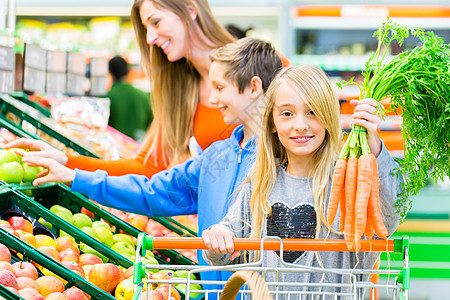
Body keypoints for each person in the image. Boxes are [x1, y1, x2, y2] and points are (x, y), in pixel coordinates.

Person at [21, 38, 283, 294]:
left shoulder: (284, 157)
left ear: (253, 87)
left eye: (219, 88)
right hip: (215, 292)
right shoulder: (216, 156)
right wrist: (76, 177)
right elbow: (152, 191)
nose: (212, 99)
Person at [202, 65, 403, 298]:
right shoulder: (259, 185)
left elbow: (389, 216)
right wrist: (218, 236)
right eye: (287, 113)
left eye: (312, 112)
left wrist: (374, 144)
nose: (300, 125)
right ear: (273, 124)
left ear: (328, 117)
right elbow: (222, 255)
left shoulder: (353, 182)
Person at [6, 0, 237, 177]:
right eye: (146, 28)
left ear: (189, 9)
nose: (150, 38)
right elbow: (146, 168)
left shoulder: (257, 67)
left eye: (156, 22)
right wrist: (65, 161)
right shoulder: (183, 91)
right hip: (214, 235)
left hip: (259, 235)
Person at [106, 56, 153, 141]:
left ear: (110, 72)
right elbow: (152, 123)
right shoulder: (143, 96)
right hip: (138, 147)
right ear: (128, 71)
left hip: (115, 146)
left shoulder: (108, 98)